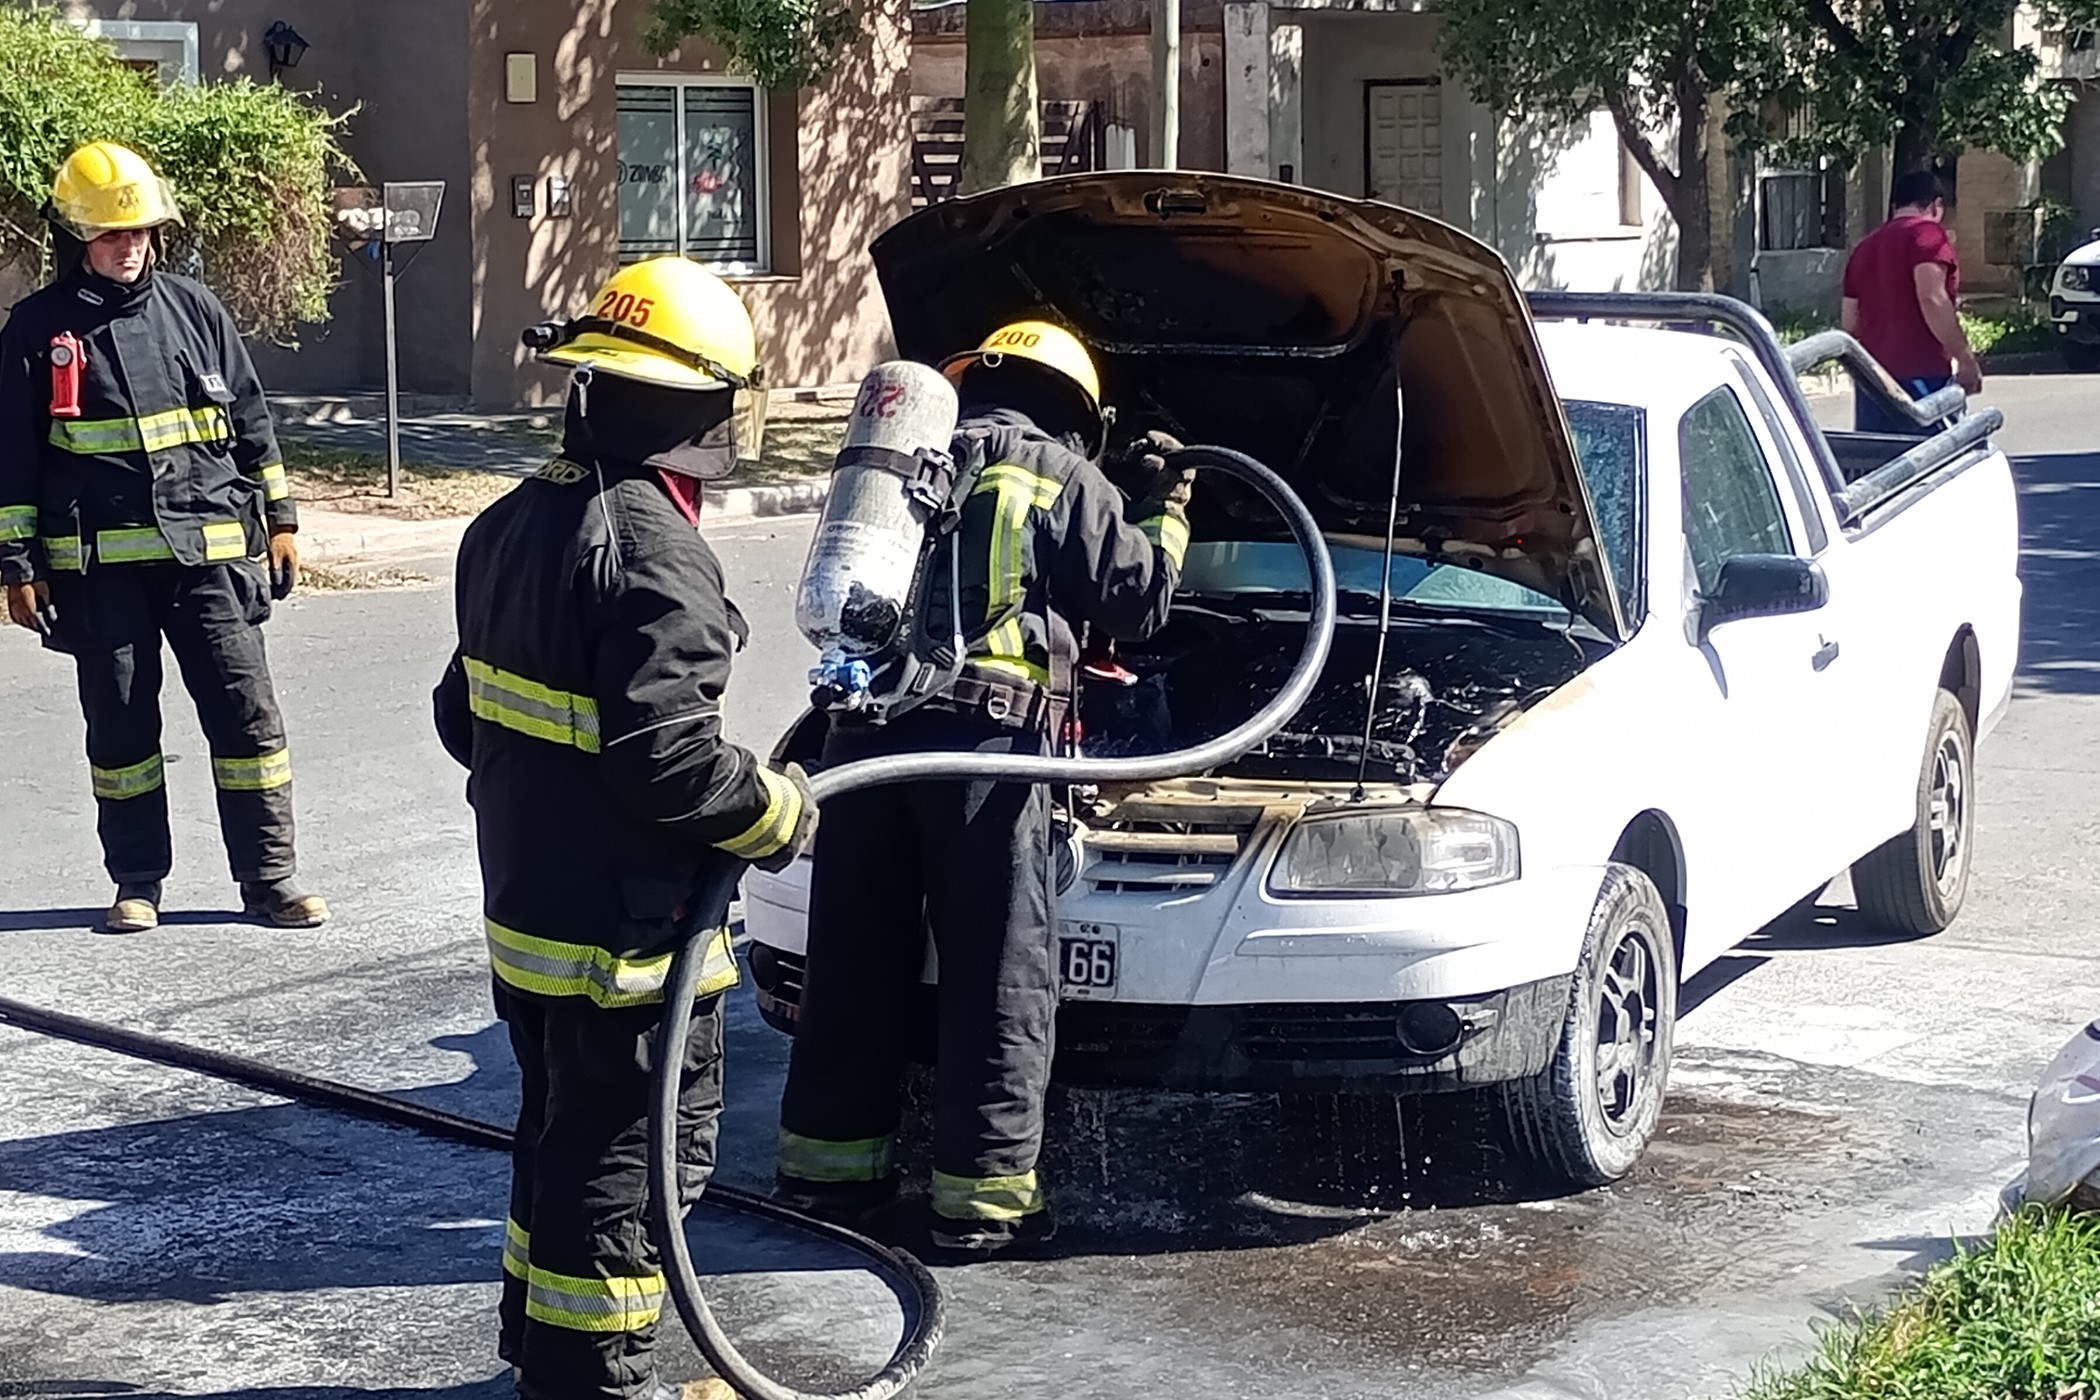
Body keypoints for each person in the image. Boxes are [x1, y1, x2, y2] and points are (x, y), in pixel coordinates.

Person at [433, 255, 817, 1400]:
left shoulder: (507, 523)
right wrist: (779, 812)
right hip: (626, 940)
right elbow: (669, 761)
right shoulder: (659, 556)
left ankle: (542, 1350)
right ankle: (596, 1376)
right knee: (629, 1160)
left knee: (556, 1131)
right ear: (693, 406)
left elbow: (465, 717)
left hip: (531, 915)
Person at [775, 320, 1193, 1256]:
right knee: (996, 978)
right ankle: (983, 1206)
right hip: (985, 756)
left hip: (863, 744)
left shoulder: (906, 465)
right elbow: (1141, 602)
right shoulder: (1061, 472)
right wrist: (1165, 504)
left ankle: (825, 1177)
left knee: (851, 965)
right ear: (1080, 410)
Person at [0, 141, 326, 933]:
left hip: (211, 565)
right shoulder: (37, 329)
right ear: (79, 237)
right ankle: (137, 881)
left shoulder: (195, 309)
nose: (130, 246)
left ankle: (270, 881)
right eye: (114, 235)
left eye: (142, 232)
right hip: (99, 571)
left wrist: (281, 520)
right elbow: (12, 454)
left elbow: (250, 418)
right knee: (120, 731)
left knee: (249, 724)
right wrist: (15, 565)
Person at [1841, 169, 1983, 434]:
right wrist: (1964, 358)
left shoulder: (1864, 248)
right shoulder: (1928, 235)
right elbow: (1932, 298)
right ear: (1936, 206)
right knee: (1929, 465)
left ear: (1895, 206)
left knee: (1880, 467)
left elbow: (1850, 322)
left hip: (1873, 381)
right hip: (1922, 376)